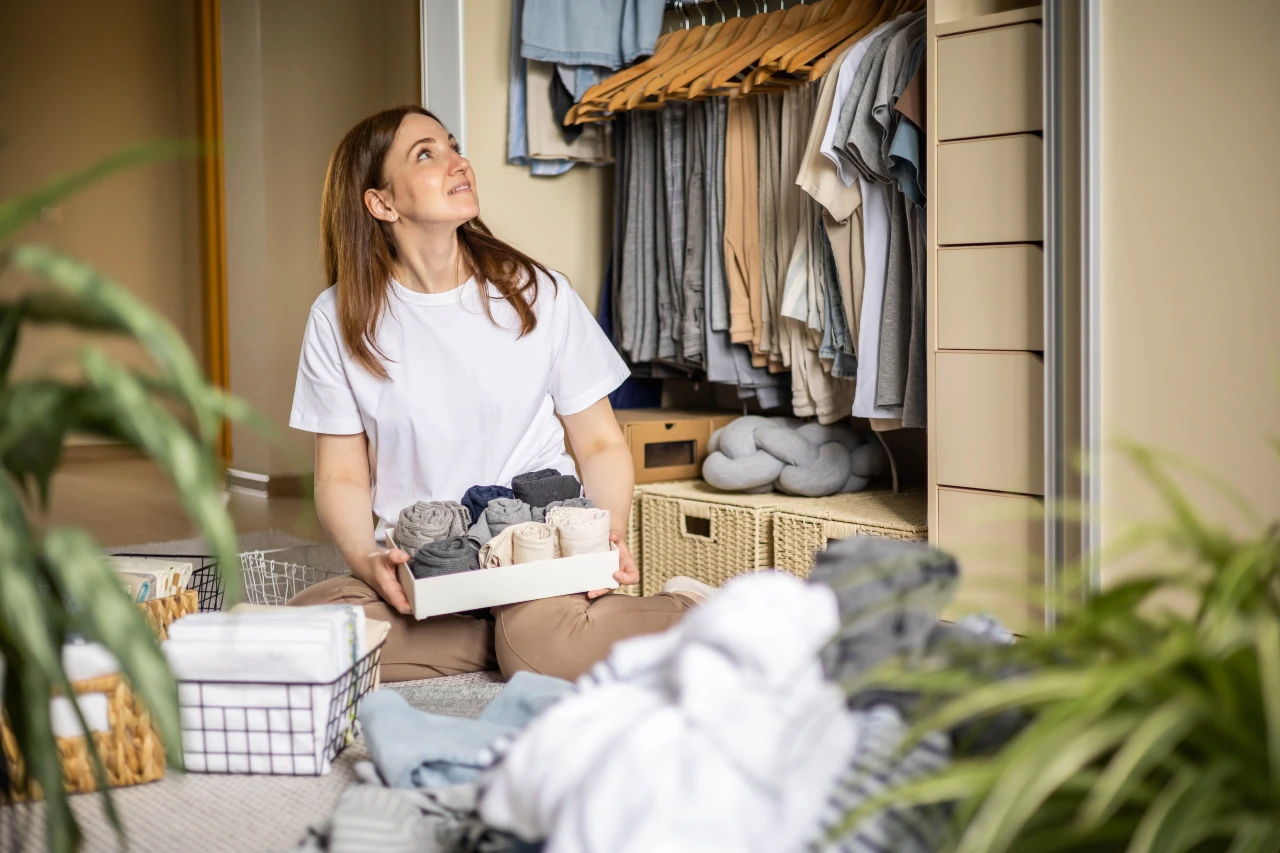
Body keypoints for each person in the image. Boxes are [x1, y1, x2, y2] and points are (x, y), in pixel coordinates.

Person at [289, 105, 711, 682]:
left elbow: (600, 446)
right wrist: (369, 562)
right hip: (426, 566)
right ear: (381, 204)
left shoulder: (538, 294)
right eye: (426, 154)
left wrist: (599, 539)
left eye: (453, 146)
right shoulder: (337, 317)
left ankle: (692, 610)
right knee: (306, 632)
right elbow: (340, 477)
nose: (458, 162)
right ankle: (515, 638)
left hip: (535, 551)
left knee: (536, 644)